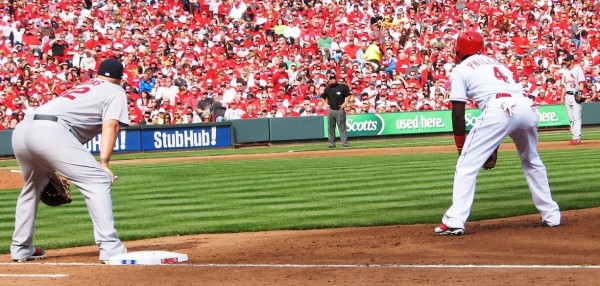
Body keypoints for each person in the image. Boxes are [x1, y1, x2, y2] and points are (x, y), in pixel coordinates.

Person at [435, 30, 561, 235]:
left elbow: (458, 113)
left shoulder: (461, 69)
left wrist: (461, 146)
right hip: (525, 107)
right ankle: (551, 214)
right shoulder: (496, 63)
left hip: (499, 109)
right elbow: (510, 109)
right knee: (532, 160)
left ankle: (455, 219)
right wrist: (493, 144)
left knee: (466, 165)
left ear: (459, 49)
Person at [10, 59, 129, 263]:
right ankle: (110, 247)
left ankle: (21, 248)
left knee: (33, 186)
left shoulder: (86, 85)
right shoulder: (116, 90)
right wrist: (104, 163)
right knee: (98, 179)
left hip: (22, 129)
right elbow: (111, 125)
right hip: (51, 132)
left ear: (98, 73)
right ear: (120, 78)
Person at [559, 54, 586, 145]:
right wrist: (562, 97)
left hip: (575, 95)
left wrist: (580, 93)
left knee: (576, 117)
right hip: (567, 95)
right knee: (571, 118)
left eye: (567, 60)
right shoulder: (565, 71)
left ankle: (577, 137)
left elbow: (581, 82)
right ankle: (574, 136)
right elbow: (563, 85)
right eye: (565, 61)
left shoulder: (578, 69)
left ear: (571, 61)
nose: (565, 62)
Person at [320, 73, 351, 148]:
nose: (332, 80)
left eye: (333, 78)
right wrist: (325, 104)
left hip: (340, 109)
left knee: (342, 127)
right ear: (329, 80)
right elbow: (322, 97)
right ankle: (331, 143)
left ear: (335, 79)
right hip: (331, 110)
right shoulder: (327, 89)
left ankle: (345, 143)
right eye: (331, 79)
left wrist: (345, 103)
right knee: (330, 127)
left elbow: (349, 95)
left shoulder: (342, 87)